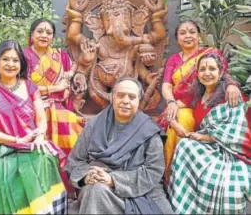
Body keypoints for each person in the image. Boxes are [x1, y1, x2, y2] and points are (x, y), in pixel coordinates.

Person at [0, 40, 68, 214]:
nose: (11, 64)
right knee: (7, 171)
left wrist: (41, 135)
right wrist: (17, 140)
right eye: (6, 59)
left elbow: (41, 119)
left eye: (15, 60)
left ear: (21, 64)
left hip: (30, 140)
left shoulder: (30, 86)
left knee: (44, 157)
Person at [66, 77, 174, 214]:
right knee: (95, 189)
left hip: (139, 192)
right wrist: (86, 176)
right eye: (120, 95)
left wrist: (113, 180)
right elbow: (75, 161)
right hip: (96, 185)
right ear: (112, 97)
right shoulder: (94, 124)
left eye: (132, 97)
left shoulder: (149, 130)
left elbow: (153, 172)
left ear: (138, 101)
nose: (125, 101)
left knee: (97, 191)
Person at [157, 20, 241, 184]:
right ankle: (170, 176)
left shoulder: (210, 53)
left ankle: (186, 176)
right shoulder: (173, 59)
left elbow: (223, 75)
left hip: (204, 103)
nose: (187, 36)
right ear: (177, 38)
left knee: (184, 118)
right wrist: (171, 102)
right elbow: (167, 85)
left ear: (199, 35)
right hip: (178, 104)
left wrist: (231, 85)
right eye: (183, 33)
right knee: (181, 118)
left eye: (191, 31)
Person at [168, 52, 251, 214]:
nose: (207, 73)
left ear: (221, 73)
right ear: (197, 74)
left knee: (219, 182)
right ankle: (183, 205)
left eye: (212, 69)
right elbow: (170, 110)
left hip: (230, 151)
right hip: (207, 148)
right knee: (184, 145)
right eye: (202, 69)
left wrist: (207, 137)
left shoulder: (231, 94)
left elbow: (239, 128)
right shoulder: (196, 95)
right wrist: (173, 122)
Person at [23, 18, 84, 155]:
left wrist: (69, 74)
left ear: (52, 37)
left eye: (48, 33)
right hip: (32, 106)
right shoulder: (23, 56)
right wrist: (56, 88)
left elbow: (73, 64)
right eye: (40, 31)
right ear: (32, 35)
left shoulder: (59, 55)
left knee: (75, 130)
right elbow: (25, 88)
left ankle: (68, 168)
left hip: (58, 105)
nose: (44, 35)